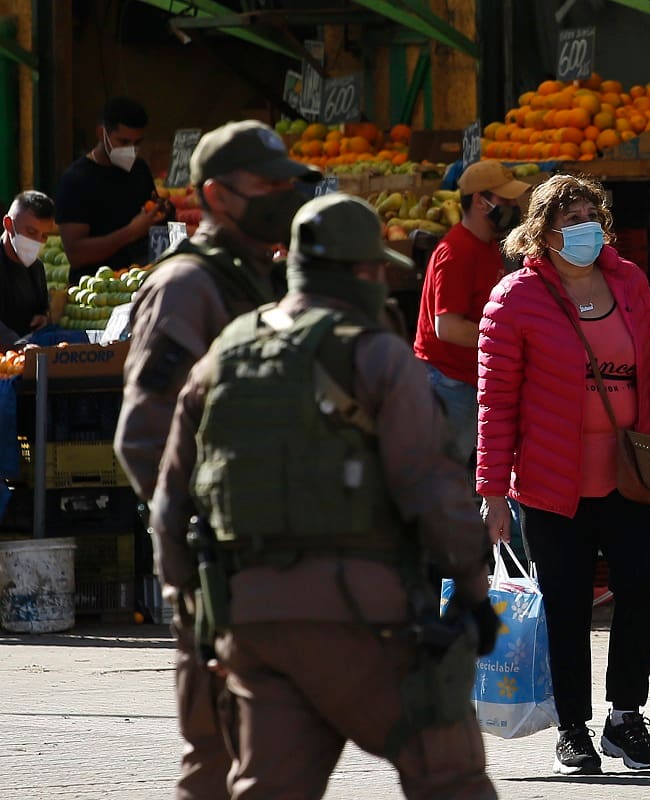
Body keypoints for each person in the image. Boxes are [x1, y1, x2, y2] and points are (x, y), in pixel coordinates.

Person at [149, 192, 498, 800]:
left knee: (268, 789)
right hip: (364, 621)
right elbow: (433, 491)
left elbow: (169, 505)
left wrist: (201, 616)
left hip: (253, 623)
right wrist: (471, 594)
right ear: (364, 271)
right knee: (450, 775)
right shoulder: (377, 355)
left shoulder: (227, 353)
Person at [114, 119, 318, 800]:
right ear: (216, 195)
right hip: (224, 570)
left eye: (287, 184)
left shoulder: (263, 280)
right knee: (220, 755)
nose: (283, 195)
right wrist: (205, 543)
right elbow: (143, 435)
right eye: (267, 185)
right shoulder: (188, 288)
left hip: (280, 560)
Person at [476, 174, 650, 775]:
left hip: (628, 477)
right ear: (543, 232)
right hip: (552, 482)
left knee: (640, 585)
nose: (585, 230)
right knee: (567, 604)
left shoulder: (629, 283)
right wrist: (493, 493)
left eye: (591, 217)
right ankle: (573, 728)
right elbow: (495, 405)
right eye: (570, 220)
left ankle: (626, 715)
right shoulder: (514, 298)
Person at [413, 159, 529, 465]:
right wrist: (509, 340)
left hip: (465, 381)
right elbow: (447, 328)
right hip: (449, 383)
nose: (514, 206)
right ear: (481, 202)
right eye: (506, 200)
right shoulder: (456, 253)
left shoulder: (486, 245)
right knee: (443, 477)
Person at [54, 96, 171, 281]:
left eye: (137, 143)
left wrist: (160, 214)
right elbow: (76, 255)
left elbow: (153, 227)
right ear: (102, 134)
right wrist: (131, 232)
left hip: (137, 283)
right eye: (123, 142)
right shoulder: (75, 181)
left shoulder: (139, 170)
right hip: (95, 293)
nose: (131, 149)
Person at [0, 191, 55, 348]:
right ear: (9, 225)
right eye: (31, 232)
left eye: (44, 236)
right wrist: (17, 345)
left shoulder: (36, 268)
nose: (37, 242)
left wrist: (43, 318)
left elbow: (41, 309)